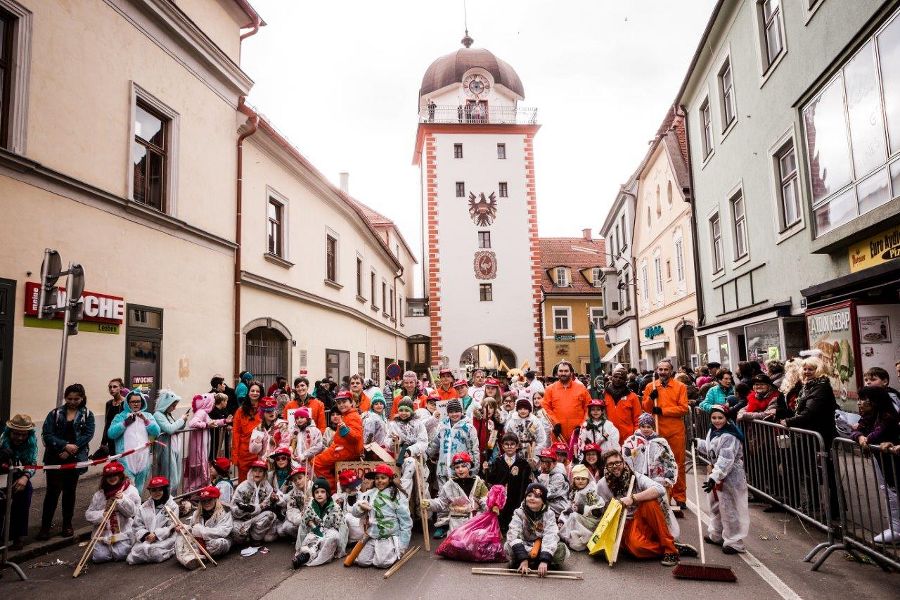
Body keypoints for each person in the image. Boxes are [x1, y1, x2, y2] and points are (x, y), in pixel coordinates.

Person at [595, 449, 681, 566]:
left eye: (618, 462)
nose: (615, 466)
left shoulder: (635, 477)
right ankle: (672, 548)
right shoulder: (602, 485)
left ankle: (670, 550)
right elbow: (601, 510)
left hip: (644, 518)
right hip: (625, 524)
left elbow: (660, 489)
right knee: (636, 548)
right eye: (610, 464)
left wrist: (633, 498)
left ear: (623, 462)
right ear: (605, 466)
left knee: (649, 502)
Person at [39, 383, 96, 540]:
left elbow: (88, 434)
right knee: (52, 492)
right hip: (54, 458)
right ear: (65, 398)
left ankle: (67, 524)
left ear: (82, 398)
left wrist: (73, 448)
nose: (72, 402)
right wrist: (64, 446)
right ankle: (45, 527)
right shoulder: (55, 414)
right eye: (69, 398)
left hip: (74, 458)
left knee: (70, 492)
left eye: (76, 399)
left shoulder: (87, 414)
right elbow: (47, 434)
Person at [697, 405, 749, 554]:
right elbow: (712, 449)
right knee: (715, 505)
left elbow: (726, 459)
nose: (717, 421)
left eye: (720, 418)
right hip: (716, 473)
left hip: (730, 475)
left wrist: (715, 477)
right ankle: (717, 534)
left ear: (726, 418)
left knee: (729, 507)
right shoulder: (713, 431)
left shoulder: (729, 435)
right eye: (714, 417)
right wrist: (699, 443)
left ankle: (734, 541)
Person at [852, 386, 900, 544]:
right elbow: (855, 431)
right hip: (882, 459)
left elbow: (877, 433)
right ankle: (895, 528)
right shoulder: (868, 416)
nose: (860, 403)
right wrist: (860, 437)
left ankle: (897, 529)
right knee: (887, 491)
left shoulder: (887, 416)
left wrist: (866, 438)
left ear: (875, 402)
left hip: (892, 459)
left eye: (864, 400)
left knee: (893, 491)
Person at [427, 398, 480, 538]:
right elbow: (435, 443)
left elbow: (474, 448)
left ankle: (461, 524)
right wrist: (427, 453)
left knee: (460, 498)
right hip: (444, 468)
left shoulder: (468, 427)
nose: (454, 414)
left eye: (457, 411)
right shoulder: (442, 426)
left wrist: (474, 467)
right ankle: (442, 525)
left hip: (461, 469)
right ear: (447, 413)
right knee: (443, 496)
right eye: (451, 412)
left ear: (461, 411)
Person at [641, 360, 689, 508]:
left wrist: (663, 411)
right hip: (657, 431)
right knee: (658, 465)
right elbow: (646, 408)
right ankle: (662, 495)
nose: (662, 372)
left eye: (665, 369)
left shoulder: (680, 387)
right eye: (660, 369)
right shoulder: (651, 386)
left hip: (675, 432)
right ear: (656, 370)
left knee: (678, 464)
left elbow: (683, 408)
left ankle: (680, 497)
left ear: (671, 371)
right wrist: (650, 398)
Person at [350, 463, 412, 568]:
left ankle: (392, 548)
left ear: (390, 479)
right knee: (362, 562)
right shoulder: (369, 494)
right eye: (377, 478)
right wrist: (360, 507)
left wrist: (402, 545)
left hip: (388, 536)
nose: (379, 481)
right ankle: (378, 551)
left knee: (382, 563)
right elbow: (355, 513)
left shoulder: (396, 496)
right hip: (371, 535)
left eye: (383, 478)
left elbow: (406, 521)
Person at [504, 482, 569, 576]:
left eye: (537, 496)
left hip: (541, 547)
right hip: (525, 546)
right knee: (508, 546)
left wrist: (545, 560)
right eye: (529, 495)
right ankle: (524, 562)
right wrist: (523, 558)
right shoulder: (519, 513)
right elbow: (513, 533)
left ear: (543, 501)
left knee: (561, 548)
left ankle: (541, 563)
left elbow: (551, 535)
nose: (532, 498)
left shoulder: (549, 514)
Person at [84, 461, 142, 563]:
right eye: (109, 476)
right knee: (100, 557)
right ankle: (105, 549)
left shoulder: (130, 490)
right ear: (105, 478)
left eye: (115, 474)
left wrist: (123, 500)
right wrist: (102, 515)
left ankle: (120, 548)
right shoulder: (99, 494)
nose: (112, 477)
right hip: (103, 534)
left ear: (120, 475)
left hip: (123, 532)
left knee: (121, 554)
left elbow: (134, 513)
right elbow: (88, 514)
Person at [423, 451, 488, 535]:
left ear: (469, 467)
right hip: (456, 525)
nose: (460, 469)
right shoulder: (449, 485)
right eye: (457, 467)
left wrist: (490, 507)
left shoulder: (478, 483)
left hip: (475, 523)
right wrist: (429, 504)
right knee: (457, 546)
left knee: (474, 546)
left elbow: (485, 498)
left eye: (463, 466)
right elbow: (441, 502)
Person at [313, 390, 364, 491]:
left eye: (344, 402)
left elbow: (356, 437)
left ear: (351, 402)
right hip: (341, 448)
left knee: (316, 462)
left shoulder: (352, 416)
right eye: (339, 403)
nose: (341, 405)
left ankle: (331, 490)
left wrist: (346, 430)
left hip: (345, 451)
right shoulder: (347, 415)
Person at [292, 477, 348, 568]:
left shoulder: (335, 507)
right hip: (316, 531)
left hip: (330, 531)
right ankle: (304, 556)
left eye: (322, 492)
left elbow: (342, 527)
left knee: (332, 538)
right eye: (316, 492)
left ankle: (318, 556)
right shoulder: (310, 507)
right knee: (312, 540)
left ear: (327, 493)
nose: (319, 494)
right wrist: (299, 547)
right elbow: (304, 524)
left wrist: (341, 548)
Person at [0, 414, 37, 549]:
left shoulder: (31, 442)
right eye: (16, 434)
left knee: (24, 498)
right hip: (1, 477)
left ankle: (17, 536)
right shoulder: (1, 439)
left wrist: (25, 477)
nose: (20, 438)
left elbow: (32, 463)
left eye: (24, 434)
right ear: (10, 432)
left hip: (19, 476)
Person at [176, 485, 233, 569]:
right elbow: (192, 528)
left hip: (215, 540)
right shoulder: (197, 513)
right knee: (181, 535)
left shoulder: (225, 511)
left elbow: (224, 531)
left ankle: (199, 555)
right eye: (203, 501)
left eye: (209, 500)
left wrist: (202, 531)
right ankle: (191, 559)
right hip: (200, 542)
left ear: (215, 500)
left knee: (220, 543)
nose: (206, 503)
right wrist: (184, 528)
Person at [485, 432, 532, 533]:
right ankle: (501, 528)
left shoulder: (522, 463)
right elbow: (491, 479)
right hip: (500, 497)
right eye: (506, 444)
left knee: (514, 514)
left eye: (512, 444)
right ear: (502, 446)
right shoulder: (498, 461)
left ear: (517, 446)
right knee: (501, 515)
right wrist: (486, 470)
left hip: (516, 495)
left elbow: (526, 482)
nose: (509, 447)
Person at [622, 413, 678, 496]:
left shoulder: (660, 442)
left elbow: (669, 460)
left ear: (653, 428)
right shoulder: (632, 441)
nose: (646, 429)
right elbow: (626, 457)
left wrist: (670, 477)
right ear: (639, 427)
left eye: (649, 427)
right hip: (638, 477)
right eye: (643, 426)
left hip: (657, 478)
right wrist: (637, 450)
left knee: (656, 503)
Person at [127, 475, 179, 564]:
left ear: (165, 490)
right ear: (150, 491)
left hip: (165, 539)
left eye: (160, 490)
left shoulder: (172, 506)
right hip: (147, 539)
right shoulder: (143, 507)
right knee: (131, 557)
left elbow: (172, 527)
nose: (156, 493)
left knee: (156, 553)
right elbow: (137, 526)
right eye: (153, 490)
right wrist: (146, 535)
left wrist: (156, 534)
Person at [185, 393, 228, 494]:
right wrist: (206, 424)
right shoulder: (201, 413)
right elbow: (192, 423)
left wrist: (225, 420)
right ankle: (189, 494)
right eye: (212, 402)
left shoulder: (203, 413)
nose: (213, 404)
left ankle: (192, 494)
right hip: (198, 450)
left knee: (200, 476)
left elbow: (212, 422)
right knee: (201, 476)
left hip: (200, 449)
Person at [387, 397, 429, 497]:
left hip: (417, 456)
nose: (403, 413)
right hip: (400, 458)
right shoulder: (394, 425)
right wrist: (394, 441)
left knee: (420, 485)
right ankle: (403, 497)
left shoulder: (418, 424)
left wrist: (410, 450)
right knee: (406, 477)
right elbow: (387, 441)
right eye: (401, 410)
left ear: (411, 411)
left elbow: (423, 441)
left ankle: (421, 509)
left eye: (406, 410)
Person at [558, 463, 605, 551]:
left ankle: (587, 535)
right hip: (581, 518)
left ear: (587, 480)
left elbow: (599, 508)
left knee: (573, 516)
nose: (580, 481)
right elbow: (569, 507)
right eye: (578, 479)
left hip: (592, 521)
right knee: (570, 520)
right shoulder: (574, 491)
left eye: (583, 479)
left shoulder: (590, 492)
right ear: (574, 480)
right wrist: (562, 519)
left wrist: (582, 509)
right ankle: (577, 538)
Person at [543, 361, 591, 444]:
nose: (563, 373)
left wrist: (582, 425)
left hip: (578, 432)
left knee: (577, 456)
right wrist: (555, 423)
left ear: (571, 373)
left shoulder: (581, 388)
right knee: (559, 455)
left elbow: (588, 408)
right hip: (558, 433)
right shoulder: (550, 389)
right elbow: (546, 408)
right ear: (557, 373)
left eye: (566, 371)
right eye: (561, 371)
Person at [232, 460, 278, 544]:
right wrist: (242, 509)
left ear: (264, 474)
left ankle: (255, 538)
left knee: (271, 515)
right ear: (251, 472)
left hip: (257, 518)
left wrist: (254, 508)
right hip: (242, 520)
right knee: (236, 533)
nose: (257, 473)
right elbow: (233, 508)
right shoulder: (242, 487)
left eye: (260, 471)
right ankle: (246, 536)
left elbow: (266, 504)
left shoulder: (267, 487)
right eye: (255, 470)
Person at [153, 389, 188, 493]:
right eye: (173, 405)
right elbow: (170, 429)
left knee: (176, 478)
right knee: (170, 479)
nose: (174, 408)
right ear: (166, 404)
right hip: (166, 450)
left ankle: (172, 500)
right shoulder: (158, 415)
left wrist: (183, 421)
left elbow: (176, 428)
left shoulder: (168, 414)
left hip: (174, 448)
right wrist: (181, 420)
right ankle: (168, 500)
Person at [571, 398, 620, 463]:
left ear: (602, 411)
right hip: (592, 458)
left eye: (598, 409)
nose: (595, 412)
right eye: (593, 409)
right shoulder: (585, 425)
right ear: (590, 412)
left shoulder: (608, 425)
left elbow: (615, 440)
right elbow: (581, 442)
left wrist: (615, 454)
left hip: (606, 456)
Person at [232, 380, 263, 481]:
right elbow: (236, 434)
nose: (255, 393)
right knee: (244, 483)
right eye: (252, 390)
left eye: (257, 391)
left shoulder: (265, 410)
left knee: (260, 482)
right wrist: (235, 456)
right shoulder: (240, 411)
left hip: (260, 453)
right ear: (248, 392)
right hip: (244, 453)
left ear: (261, 393)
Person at [504, 398, 547, 464]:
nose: (522, 411)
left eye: (525, 409)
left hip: (532, 451)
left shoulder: (535, 421)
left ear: (529, 410)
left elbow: (542, 439)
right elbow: (508, 436)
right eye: (520, 409)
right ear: (517, 410)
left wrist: (535, 452)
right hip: (516, 451)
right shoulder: (512, 421)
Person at [603, 369, 642, 442]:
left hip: (627, 438)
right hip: (609, 437)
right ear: (611, 378)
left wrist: (636, 435)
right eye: (615, 376)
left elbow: (638, 419)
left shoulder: (632, 396)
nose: (618, 379)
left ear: (625, 380)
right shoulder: (605, 394)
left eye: (621, 378)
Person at [249, 396, 290, 461]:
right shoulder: (258, 428)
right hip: (262, 464)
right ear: (262, 413)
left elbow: (285, 444)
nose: (272, 413)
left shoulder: (282, 425)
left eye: (273, 410)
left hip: (278, 462)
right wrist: (257, 442)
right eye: (268, 411)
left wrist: (271, 456)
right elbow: (252, 450)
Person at [95, 378, 126, 458]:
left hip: (122, 438)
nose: (112, 389)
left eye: (115, 387)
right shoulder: (108, 403)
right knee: (113, 463)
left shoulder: (126, 403)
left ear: (121, 388)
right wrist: (103, 442)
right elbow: (107, 423)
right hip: (111, 438)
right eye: (110, 387)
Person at [333, 469, 366, 544]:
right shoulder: (342, 497)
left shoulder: (362, 496)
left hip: (361, 532)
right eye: (350, 487)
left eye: (354, 486)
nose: (354, 489)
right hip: (348, 537)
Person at [276, 466, 309, 539]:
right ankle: (301, 538)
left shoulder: (316, 489)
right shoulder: (293, 492)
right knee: (285, 527)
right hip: (300, 518)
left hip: (314, 520)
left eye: (300, 478)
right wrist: (300, 518)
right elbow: (291, 510)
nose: (297, 481)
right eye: (294, 480)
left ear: (307, 477)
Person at [536, 447, 569, 516]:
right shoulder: (540, 472)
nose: (544, 464)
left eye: (547, 462)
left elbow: (547, 494)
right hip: (548, 504)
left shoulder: (559, 476)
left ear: (554, 463)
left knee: (535, 504)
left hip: (559, 505)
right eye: (542, 461)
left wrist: (543, 476)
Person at [291, 407, 324, 473]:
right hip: (297, 464)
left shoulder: (315, 431)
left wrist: (304, 455)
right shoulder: (295, 432)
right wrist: (292, 453)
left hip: (311, 463)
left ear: (307, 418)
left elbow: (319, 446)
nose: (299, 420)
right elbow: (292, 445)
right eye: (297, 418)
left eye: (302, 417)